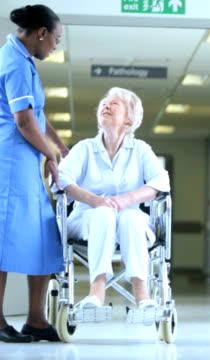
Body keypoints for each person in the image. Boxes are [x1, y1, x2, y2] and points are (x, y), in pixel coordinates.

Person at [57, 87, 170, 312]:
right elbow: (60, 180)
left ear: (128, 120)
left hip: (130, 216)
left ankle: (142, 294)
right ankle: (97, 289)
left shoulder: (140, 149)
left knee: (132, 220)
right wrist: (94, 200)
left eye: (114, 103)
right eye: (104, 102)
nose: (106, 105)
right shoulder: (84, 149)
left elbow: (161, 181)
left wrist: (127, 199)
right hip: (86, 218)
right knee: (103, 212)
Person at [0, 4, 69, 343]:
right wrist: (51, 155)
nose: (55, 47)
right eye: (55, 39)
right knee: (3, 242)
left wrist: (59, 145)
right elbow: (24, 121)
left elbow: (37, 113)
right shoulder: (12, 61)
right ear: (41, 33)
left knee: (43, 237)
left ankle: (36, 319)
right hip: (10, 165)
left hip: (27, 166)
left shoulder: (23, 60)